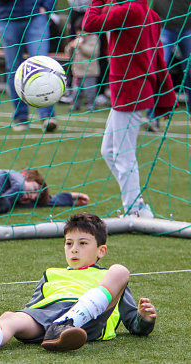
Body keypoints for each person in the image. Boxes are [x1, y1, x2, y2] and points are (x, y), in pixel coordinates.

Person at [0, 212, 157, 358]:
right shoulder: (51, 273)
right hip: (48, 319)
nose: (74, 249)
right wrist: (23, 319)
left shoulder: (108, 276)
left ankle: (66, 325)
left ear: (101, 251)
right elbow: (34, 306)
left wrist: (144, 320)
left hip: (88, 321)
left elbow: (132, 324)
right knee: (11, 317)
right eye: (69, 243)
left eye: (83, 243)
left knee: (121, 271)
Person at [82, 0, 176, 218]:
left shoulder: (130, 10)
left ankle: (134, 210)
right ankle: (138, 203)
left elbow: (89, 22)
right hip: (127, 89)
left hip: (130, 89)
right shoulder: (146, 12)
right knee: (109, 151)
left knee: (124, 156)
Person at [0, 0, 59, 132]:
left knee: (42, 64)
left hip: (36, 15)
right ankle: (21, 117)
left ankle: (47, 116)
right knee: (14, 68)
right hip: (7, 18)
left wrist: (47, 7)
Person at [148, 0, 191, 130]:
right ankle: (152, 117)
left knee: (189, 72)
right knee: (158, 69)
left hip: (188, 28)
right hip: (164, 27)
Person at [65, 14, 100, 112]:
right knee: (76, 90)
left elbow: (93, 52)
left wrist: (81, 46)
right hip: (77, 70)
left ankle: (91, 104)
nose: (80, 33)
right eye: (78, 31)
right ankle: (75, 105)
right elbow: (69, 54)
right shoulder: (77, 39)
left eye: (82, 31)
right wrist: (70, 47)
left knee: (90, 90)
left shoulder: (93, 39)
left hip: (89, 71)